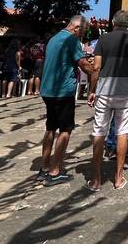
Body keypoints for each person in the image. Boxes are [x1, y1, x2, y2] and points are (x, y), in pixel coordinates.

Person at [86, 10, 128, 191]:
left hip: (104, 89)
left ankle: (95, 180)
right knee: (122, 132)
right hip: (125, 91)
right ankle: (118, 178)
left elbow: (96, 67)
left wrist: (92, 90)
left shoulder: (103, 40)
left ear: (113, 22)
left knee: (99, 131)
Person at [37, 16, 92, 186]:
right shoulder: (72, 39)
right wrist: (96, 69)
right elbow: (83, 64)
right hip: (63, 90)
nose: (83, 35)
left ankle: (44, 166)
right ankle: (54, 172)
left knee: (50, 127)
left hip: (48, 89)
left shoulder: (54, 38)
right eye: (83, 31)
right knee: (65, 130)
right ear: (77, 28)